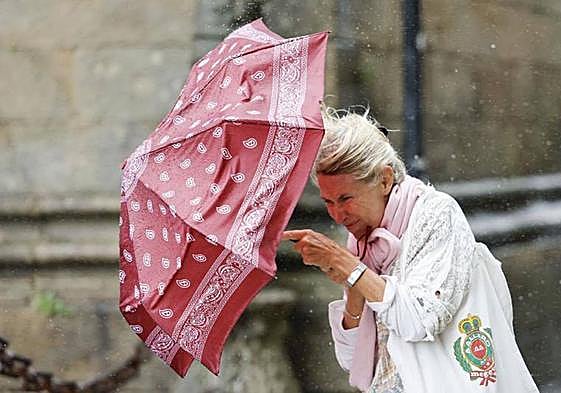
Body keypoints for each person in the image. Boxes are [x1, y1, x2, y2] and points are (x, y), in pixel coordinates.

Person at [282, 107, 539, 393]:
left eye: (346, 198)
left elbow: (421, 320)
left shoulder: (437, 213)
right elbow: (352, 360)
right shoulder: (362, 243)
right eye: (328, 202)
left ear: (385, 179)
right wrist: (354, 285)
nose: (338, 215)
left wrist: (351, 268)